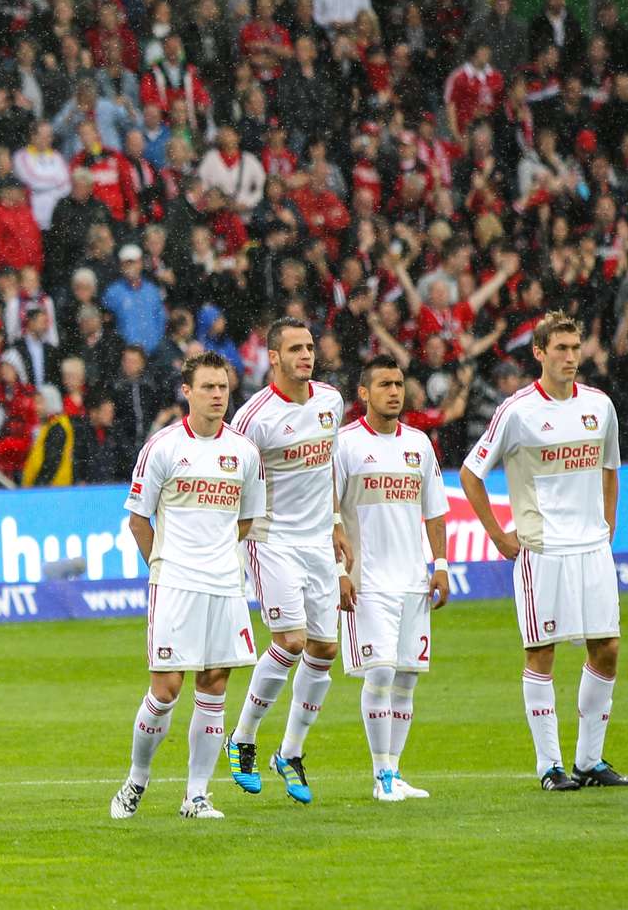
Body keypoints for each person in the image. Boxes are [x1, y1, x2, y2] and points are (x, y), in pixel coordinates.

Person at [459, 313, 628, 791]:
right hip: (543, 550)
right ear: (539, 352)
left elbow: (610, 468)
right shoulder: (517, 411)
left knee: (608, 648)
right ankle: (549, 767)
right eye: (560, 348)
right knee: (541, 653)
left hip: (592, 548)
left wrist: (608, 528)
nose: (571, 357)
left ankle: (590, 762)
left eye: (576, 348)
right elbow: (471, 472)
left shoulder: (599, 406)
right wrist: (498, 535)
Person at [114, 352, 265, 820]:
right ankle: (137, 779)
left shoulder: (243, 452)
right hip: (175, 584)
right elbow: (139, 518)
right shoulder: (162, 447)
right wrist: (166, 565)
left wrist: (216, 559)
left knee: (215, 685)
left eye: (223, 387)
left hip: (224, 584)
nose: (217, 395)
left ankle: (196, 795)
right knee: (165, 690)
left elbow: (245, 520)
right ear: (187, 391)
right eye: (208, 387)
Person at [222, 317, 347, 803]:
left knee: (324, 650)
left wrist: (336, 522)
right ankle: (244, 736)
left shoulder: (329, 402)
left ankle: (290, 752)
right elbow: (233, 478)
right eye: (295, 348)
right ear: (273, 357)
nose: (306, 356)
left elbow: (328, 466)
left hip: (318, 541)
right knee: (290, 640)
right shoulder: (255, 417)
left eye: (310, 347)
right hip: (271, 538)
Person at [335, 354, 450, 802]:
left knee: (406, 678)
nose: (395, 392)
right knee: (379, 671)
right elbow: (330, 514)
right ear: (364, 394)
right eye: (384, 384)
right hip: (368, 581)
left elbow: (435, 509)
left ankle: (396, 771)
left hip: (412, 579)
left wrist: (439, 564)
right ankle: (380, 774)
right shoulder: (343, 445)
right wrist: (341, 571)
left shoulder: (419, 444)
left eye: (399, 383)